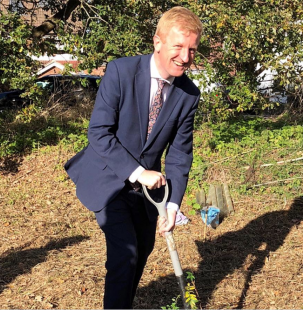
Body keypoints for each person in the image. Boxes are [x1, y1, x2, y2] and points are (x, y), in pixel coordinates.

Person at [65, 6, 202, 309]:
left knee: (142, 250)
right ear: (158, 42)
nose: (185, 56)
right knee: (125, 254)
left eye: (192, 49)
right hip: (108, 177)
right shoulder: (121, 71)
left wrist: (172, 203)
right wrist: (139, 172)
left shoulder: (189, 94)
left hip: (148, 193)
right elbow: (99, 133)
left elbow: (179, 153)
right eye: (178, 46)